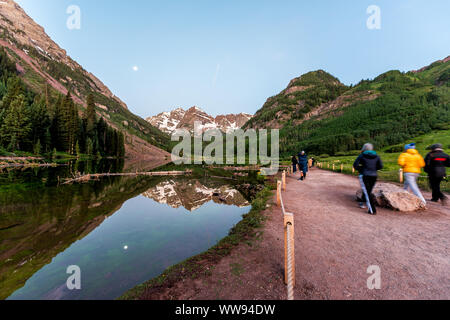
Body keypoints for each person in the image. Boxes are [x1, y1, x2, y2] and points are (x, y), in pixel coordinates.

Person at [353, 143, 383, 215]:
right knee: (368, 191)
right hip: (374, 176)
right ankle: (362, 202)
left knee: (367, 192)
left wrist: (361, 169)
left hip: (364, 175)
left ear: (364, 148)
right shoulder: (377, 156)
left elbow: (355, 165)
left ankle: (372, 210)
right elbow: (380, 166)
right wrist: (373, 169)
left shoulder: (362, 155)